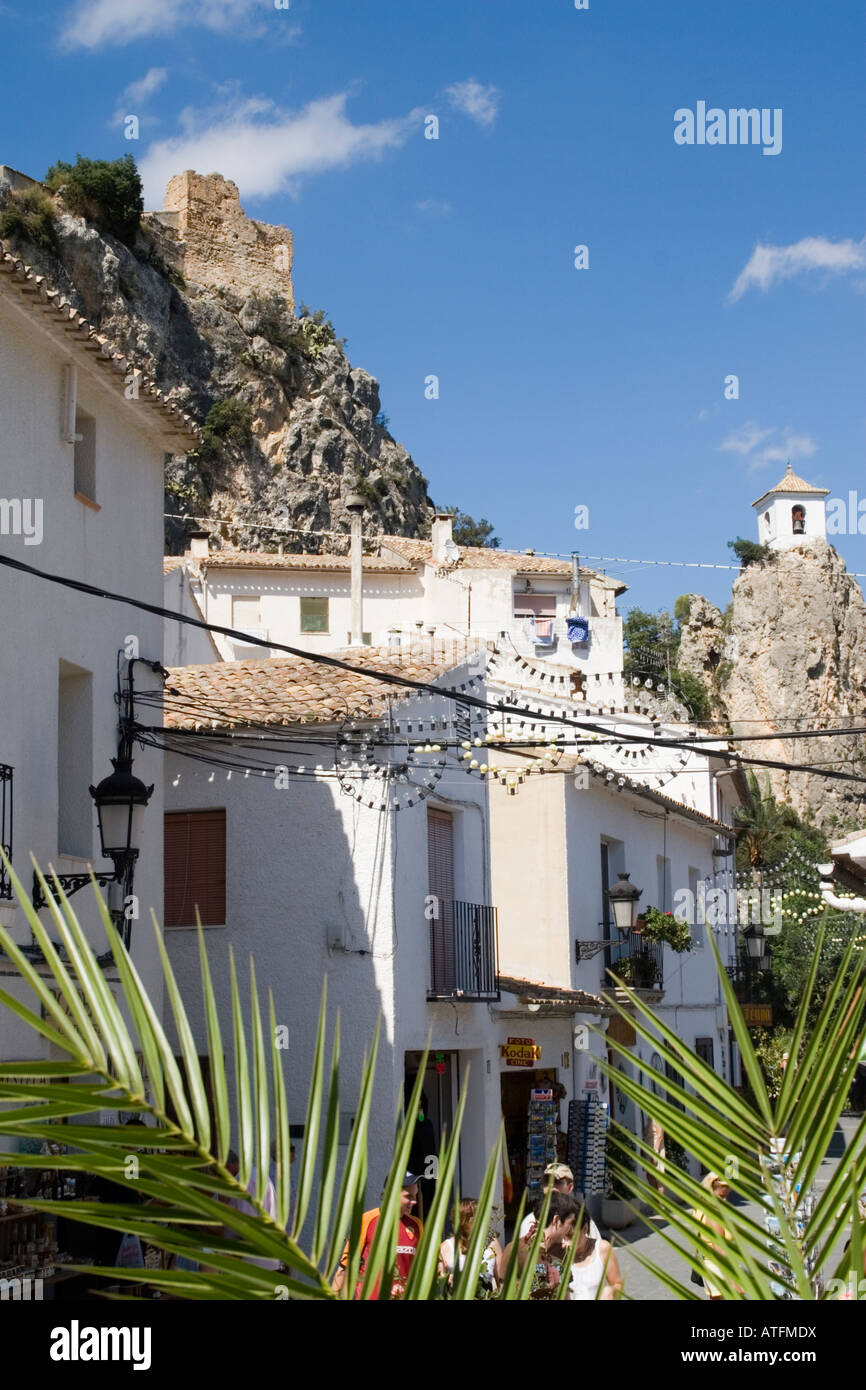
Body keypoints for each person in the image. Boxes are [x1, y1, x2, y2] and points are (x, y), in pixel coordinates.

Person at [333, 1171, 424, 1299]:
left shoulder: (416, 1225)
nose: (415, 1201)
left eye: (415, 1196)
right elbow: (345, 1267)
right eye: (409, 1196)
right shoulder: (367, 1220)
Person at [497, 1191, 579, 1293]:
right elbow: (504, 1290)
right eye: (570, 1223)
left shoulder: (563, 1252)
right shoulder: (515, 1250)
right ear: (556, 1220)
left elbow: (565, 1294)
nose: (571, 1229)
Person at [224, 1149, 280, 1270]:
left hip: (253, 1264)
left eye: (218, 1173)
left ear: (228, 1166)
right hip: (261, 1260)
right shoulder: (253, 1174)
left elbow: (247, 1229)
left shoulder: (246, 1183)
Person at [518, 1164, 601, 1244]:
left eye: (557, 1182)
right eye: (547, 1182)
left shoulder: (582, 1220)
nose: (551, 1186)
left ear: (570, 1187)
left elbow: (594, 1250)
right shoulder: (530, 1220)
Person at [438, 1198, 502, 1291]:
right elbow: (439, 1283)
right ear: (462, 1221)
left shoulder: (491, 1243)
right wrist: (447, 1280)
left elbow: (502, 1282)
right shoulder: (445, 1247)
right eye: (475, 1217)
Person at [691, 1171, 738, 1299]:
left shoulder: (700, 1208)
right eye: (721, 1196)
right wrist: (734, 1279)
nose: (725, 1200)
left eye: (727, 1196)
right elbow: (720, 1249)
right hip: (719, 1267)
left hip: (708, 1264)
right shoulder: (715, 1215)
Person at [568, 1208, 622, 1300]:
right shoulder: (557, 1253)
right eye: (563, 1235)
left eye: (571, 1235)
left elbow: (617, 1284)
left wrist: (610, 1292)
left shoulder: (602, 1249)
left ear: (585, 1228)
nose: (566, 1241)